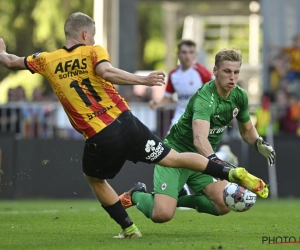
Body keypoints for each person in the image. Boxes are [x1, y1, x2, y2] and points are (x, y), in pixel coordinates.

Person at [0, 13, 268, 239]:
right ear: (84, 36)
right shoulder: (93, 51)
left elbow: (12, 61)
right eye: (92, 35)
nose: (93, 40)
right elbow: (106, 72)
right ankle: (230, 173)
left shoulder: (46, 59)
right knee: (173, 158)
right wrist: (143, 80)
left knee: (95, 178)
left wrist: (1, 52)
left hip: (100, 135)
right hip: (128, 123)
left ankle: (128, 228)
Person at [119, 47, 276, 223]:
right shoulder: (204, 98)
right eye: (227, 71)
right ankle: (136, 195)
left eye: (236, 72)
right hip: (175, 156)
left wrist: (258, 142)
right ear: (215, 71)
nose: (232, 77)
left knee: (223, 205)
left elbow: (247, 131)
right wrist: (216, 163)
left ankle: (177, 198)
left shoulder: (239, 96)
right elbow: (199, 138)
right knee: (162, 215)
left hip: (201, 159)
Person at [150, 39, 212, 198]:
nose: (187, 56)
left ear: (195, 54)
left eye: (191, 53)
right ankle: (181, 190)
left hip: (200, 117)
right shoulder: (174, 74)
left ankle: (216, 176)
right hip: (180, 118)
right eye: (184, 52)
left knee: (201, 150)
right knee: (170, 151)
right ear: (178, 54)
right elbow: (167, 98)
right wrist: (156, 104)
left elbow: (214, 95)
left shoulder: (203, 73)